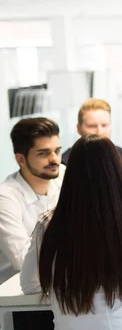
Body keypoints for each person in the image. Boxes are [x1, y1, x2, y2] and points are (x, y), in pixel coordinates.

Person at [20, 134, 122, 330]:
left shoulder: (48, 223)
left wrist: (64, 277)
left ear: (71, 173)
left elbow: (29, 285)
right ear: (117, 172)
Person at [0, 117, 63, 329]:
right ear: (21, 159)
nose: (54, 159)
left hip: (58, 290)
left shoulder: (63, 176)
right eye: (43, 153)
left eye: (57, 150)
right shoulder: (5, 196)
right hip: (19, 300)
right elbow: (23, 260)